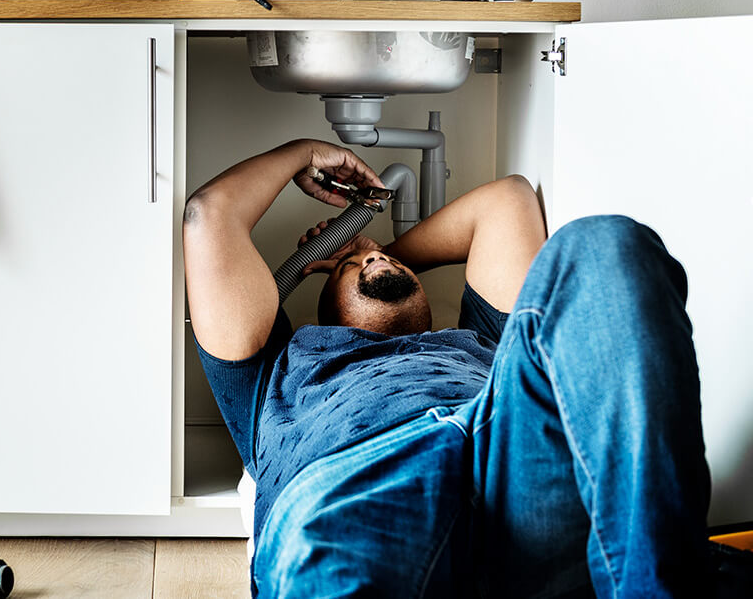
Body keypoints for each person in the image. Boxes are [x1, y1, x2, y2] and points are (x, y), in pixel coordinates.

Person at [183, 138, 752, 598]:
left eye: (377, 254)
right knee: (327, 556)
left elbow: (507, 200)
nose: (372, 256)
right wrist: (302, 153)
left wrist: (381, 250)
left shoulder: (480, 339)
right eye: (352, 265)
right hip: (357, 488)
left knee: (606, 246)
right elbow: (209, 217)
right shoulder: (278, 368)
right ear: (321, 303)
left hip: (509, 460)